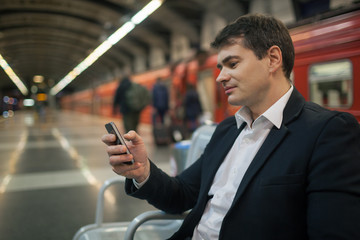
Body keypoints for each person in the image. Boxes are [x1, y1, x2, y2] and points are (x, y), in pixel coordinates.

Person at [102, 13, 360, 240]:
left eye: (232, 64)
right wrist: (142, 170)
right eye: (220, 67)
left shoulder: (328, 133)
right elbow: (181, 195)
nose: (220, 76)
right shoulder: (227, 130)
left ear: (272, 59)